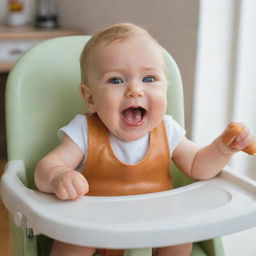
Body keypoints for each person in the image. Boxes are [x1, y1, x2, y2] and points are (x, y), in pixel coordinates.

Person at [34, 23, 255, 256]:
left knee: (180, 239)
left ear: (165, 90)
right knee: (72, 242)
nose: (135, 90)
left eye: (149, 79)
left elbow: (198, 166)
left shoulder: (167, 129)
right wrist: (59, 176)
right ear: (90, 99)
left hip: (155, 225)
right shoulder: (84, 131)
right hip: (96, 229)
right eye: (116, 80)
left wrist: (223, 149)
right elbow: (45, 168)